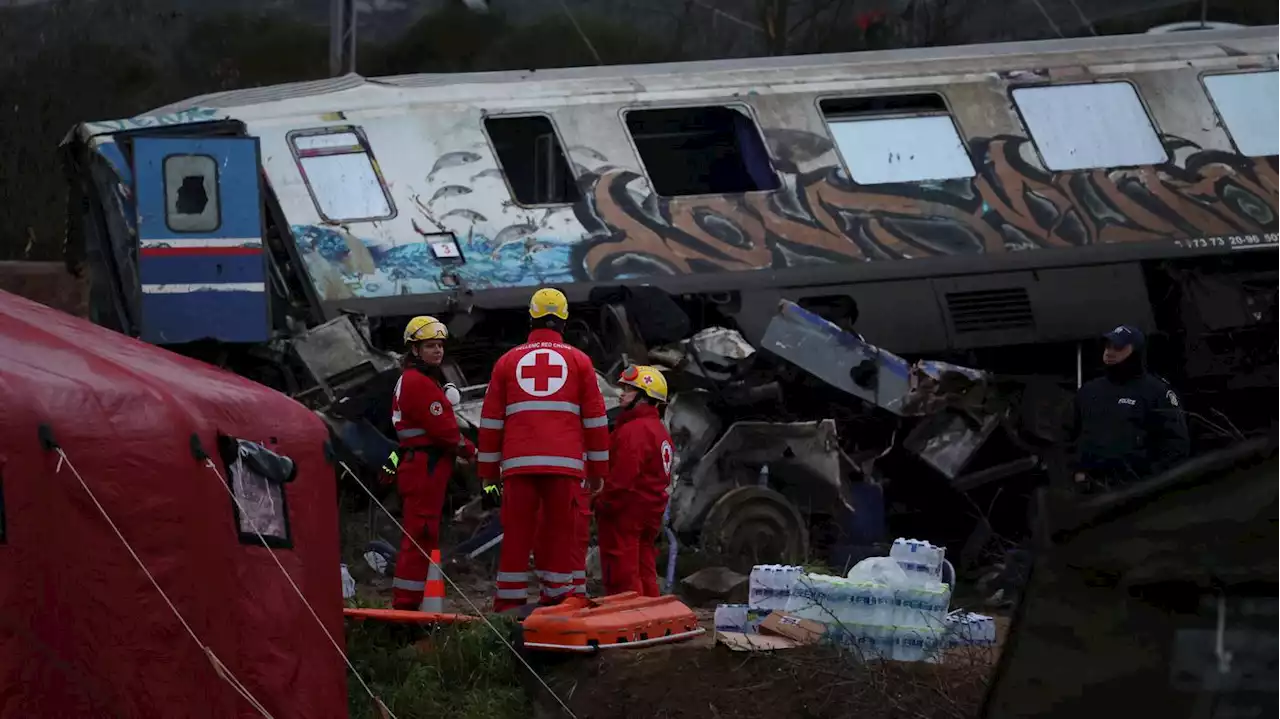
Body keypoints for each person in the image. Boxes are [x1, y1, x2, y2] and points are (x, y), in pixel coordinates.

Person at [477, 287, 610, 613]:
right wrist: (598, 471)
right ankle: (559, 601)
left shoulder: (507, 362)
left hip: (518, 464)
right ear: (564, 321)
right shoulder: (580, 361)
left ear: (531, 318)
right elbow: (595, 421)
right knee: (561, 534)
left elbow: (491, 422)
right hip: (564, 464)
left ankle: (508, 605)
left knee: (517, 533)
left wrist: (487, 473)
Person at [389, 315, 475, 610]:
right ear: (415, 350)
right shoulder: (419, 383)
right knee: (420, 535)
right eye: (430, 346)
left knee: (423, 535)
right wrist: (471, 452)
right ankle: (406, 608)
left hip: (425, 466)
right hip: (424, 467)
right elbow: (446, 432)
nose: (437, 351)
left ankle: (413, 603)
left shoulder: (418, 380)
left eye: (439, 345)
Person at [1071, 324, 1190, 491]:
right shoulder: (1089, 391)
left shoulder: (1157, 392)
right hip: (1090, 490)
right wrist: (1077, 471)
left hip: (1138, 491)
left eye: (1118, 347)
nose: (1110, 352)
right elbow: (1071, 436)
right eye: (1108, 346)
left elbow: (1176, 445)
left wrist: (1150, 480)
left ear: (1135, 351)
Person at [596, 365, 675, 598]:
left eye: (629, 389)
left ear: (644, 397)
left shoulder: (634, 430)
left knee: (623, 575)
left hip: (625, 512)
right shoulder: (659, 431)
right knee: (644, 567)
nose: (622, 393)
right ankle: (651, 617)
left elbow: (623, 478)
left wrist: (602, 503)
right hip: (649, 511)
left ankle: (630, 622)